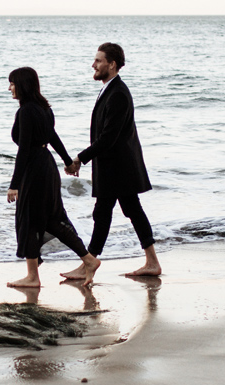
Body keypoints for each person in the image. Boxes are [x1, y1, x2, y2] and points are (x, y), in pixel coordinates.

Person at [63, 43, 161, 277]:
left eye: (98, 61)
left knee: (109, 214)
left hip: (118, 168)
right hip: (116, 166)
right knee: (118, 212)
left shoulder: (118, 93)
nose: (93, 65)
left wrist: (79, 158)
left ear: (112, 64)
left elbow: (108, 138)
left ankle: (91, 263)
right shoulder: (111, 89)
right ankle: (150, 262)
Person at [6, 67, 101, 288]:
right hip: (46, 166)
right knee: (50, 218)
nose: (9, 88)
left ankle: (33, 277)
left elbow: (24, 150)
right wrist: (67, 162)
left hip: (34, 168)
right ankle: (87, 259)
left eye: (12, 83)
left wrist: (14, 184)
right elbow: (53, 137)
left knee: (31, 219)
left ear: (22, 85)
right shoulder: (44, 108)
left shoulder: (26, 111)